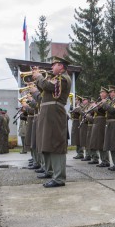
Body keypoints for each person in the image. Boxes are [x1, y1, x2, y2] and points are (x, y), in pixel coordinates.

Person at [32, 56, 71, 188]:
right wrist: (38, 80)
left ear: (61, 66)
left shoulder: (63, 78)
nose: (51, 67)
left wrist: (39, 77)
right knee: (48, 143)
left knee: (56, 144)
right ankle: (53, 173)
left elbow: (48, 86)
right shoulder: (56, 78)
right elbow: (44, 91)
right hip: (49, 114)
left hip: (54, 113)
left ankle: (59, 178)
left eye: (54, 65)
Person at [101, 85, 115, 171]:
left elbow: (114, 111)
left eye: (111, 92)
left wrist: (105, 104)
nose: (110, 93)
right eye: (109, 92)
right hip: (110, 124)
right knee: (111, 144)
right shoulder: (111, 101)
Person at [90, 87, 110, 167]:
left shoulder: (107, 101)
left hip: (102, 121)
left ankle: (106, 161)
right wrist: (93, 107)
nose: (101, 94)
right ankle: (103, 160)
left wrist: (95, 107)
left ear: (106, 94)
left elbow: (102, 111)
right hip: (97, 122)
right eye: (100, 93)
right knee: (98, 142)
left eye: (103, 93)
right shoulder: (100, 101)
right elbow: (92, 113)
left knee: (102, 141)